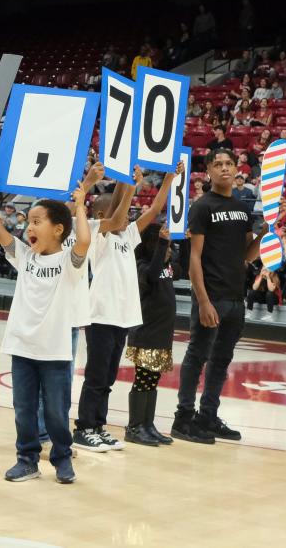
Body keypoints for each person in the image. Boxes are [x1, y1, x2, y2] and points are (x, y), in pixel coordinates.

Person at [74, 163, 180, 453]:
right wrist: (132, 184)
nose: (127, 218)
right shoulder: (98, 235)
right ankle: (84, 427)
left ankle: (98, 426)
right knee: (96, 377)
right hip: (100, 316)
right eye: (120, 214)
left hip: (121, 318)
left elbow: (154, 208)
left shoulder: (128, 237)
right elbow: (119, 213)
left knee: (107, 377)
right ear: (99, 216)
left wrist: (170, 177)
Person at [0, 187, 91, 485]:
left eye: (37, 221)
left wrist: (80, 205)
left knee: (56, 411)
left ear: (59, 229)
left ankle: (62, 457)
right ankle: (27, 459)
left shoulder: (69, 263)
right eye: (28, 222)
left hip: (55, 352)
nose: (29, 227)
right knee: (23, 409)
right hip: (22, 347)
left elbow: (84, 240)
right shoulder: (25, 256)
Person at [172, 148, 262, 445]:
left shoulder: (243, 208)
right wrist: (203, 300)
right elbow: (194, 258)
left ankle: (207, 416)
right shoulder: (201, 207)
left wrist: (265, 235)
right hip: (212, 296)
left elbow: (247, 256)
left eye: (229, 163)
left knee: (222, 360)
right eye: (218, 164)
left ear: (237, 169)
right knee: (197, 355)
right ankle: (183, 418)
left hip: (236, 297)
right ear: (208, 171)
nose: (224, 168)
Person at [124, 224, 177, 447]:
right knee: (143, 380)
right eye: (164, 246)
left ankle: (147, 424)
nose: (169, 251)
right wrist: (162, 244)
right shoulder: (141, 266)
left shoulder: (166, 265)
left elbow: (179, 267)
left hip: (161, 334)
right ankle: (135, 426)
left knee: (153, 381)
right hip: (146, 333)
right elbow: (154, 275)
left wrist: (180, 240)